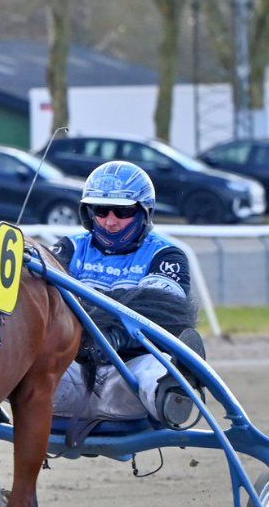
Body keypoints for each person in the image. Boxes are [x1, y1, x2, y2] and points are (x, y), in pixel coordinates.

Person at [46, 160, 204, 431]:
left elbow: (163, 314)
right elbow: (46, 304)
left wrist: (107, 329)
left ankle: (174, 388)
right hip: (69, 371)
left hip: (129, 377)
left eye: (122, 212)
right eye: (101, 210)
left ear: (145, 212)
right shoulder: (68, 247)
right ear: (88, 212)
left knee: (157, 366)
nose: (110, 221)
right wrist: (120, 311)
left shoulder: (166, 255)